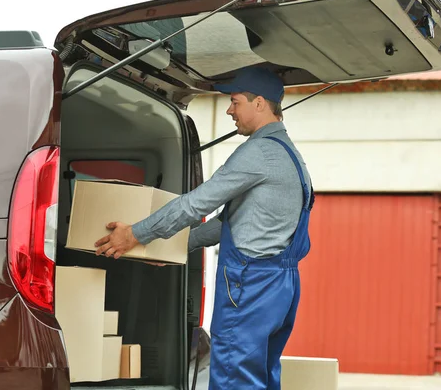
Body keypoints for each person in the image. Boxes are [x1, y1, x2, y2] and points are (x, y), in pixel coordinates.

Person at [94, 66, 314, 390]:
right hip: (281, 285)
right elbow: (230, 223)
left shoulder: (259, 153)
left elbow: (195, 204)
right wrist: (178, 247)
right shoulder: (290, 156)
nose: (229, 109)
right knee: (262, 377)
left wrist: (135, 234)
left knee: (232, 378)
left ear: (259, 104)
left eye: (235, 101)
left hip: (249, 286)